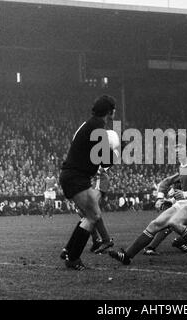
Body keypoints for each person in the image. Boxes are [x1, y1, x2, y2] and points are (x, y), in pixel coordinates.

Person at [109, 134, 187, 266]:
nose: (175, 150)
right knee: (155, 224)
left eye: (178, 147)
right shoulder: (182, 165)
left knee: (175, 222)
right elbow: (165, 182)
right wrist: (160, 198)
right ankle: (127, 256)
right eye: (174, 147)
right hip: (182, 204)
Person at [59, 95, 117, 270]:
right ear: (109, 111)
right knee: (93, 216)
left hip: (74, 176)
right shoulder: (98, 126)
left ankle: (69, 251)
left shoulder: (90, 123)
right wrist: (115, 149)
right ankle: (73, 259)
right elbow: (106, 161)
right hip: (77, 177)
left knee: (91, 215)